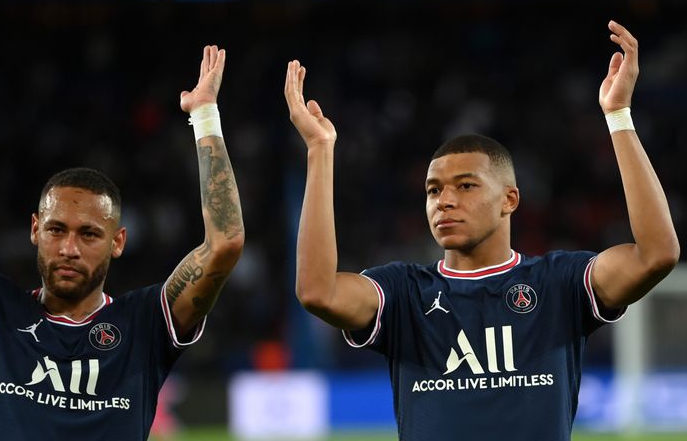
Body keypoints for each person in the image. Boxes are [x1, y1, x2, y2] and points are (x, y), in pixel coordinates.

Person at [0, 0, 244, 440]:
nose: (68, 248)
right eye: (56, 229)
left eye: (89, 234)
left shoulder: (145, 324)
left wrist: (205, 117)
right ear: (35, 230)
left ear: (118, 241)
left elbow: (224, 243)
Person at [284, 21, 679, 440]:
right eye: (433, 190)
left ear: (510, 200)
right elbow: (317, 291)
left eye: (466, 186)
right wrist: (319, 151)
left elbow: (656, 254)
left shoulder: (558, 283)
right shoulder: (403, 292)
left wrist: (618, 117)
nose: (444, 201)